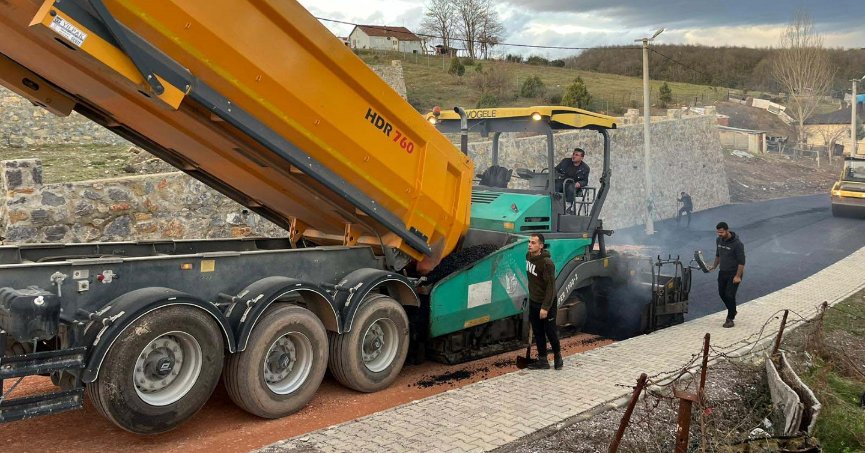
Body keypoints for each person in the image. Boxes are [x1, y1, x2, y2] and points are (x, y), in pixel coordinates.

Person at [525, 233, 562, 370]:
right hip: (534, 301)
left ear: (541, 246)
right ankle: (543, 360)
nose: (530, 244)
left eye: (533, 243)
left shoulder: (547, 264)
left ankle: (558, 356)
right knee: (538, 332)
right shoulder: (528, 256)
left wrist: (545, 307)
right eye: (529, 242)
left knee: (550, 331)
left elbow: (551, 288)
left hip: (547, 303)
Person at [708, 222, 745, 328]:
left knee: (729, 294)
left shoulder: (737, 244)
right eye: (718, 232)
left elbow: (742, 262)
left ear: (727, 230)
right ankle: (733, 310)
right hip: (723, 272)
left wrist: (738, 276)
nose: (719, 234)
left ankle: (730, 319)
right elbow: (718, 255)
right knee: (722, 294)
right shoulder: (718, 240)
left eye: (721, 232)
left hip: (734, 273)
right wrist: (714, 266)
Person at [554, 147, 590, 213]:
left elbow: (585, 181)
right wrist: (556, 174)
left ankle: (568, 206)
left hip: (574, 185)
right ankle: (555, 203)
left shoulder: (585, 168)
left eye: (576, 155)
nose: (573, 156)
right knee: (555, 184)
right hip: (563, 182)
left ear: (581, 158)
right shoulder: (565, 161)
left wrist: (579, 183)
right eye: (573, 154)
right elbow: (555, 170)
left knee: (571, 187)